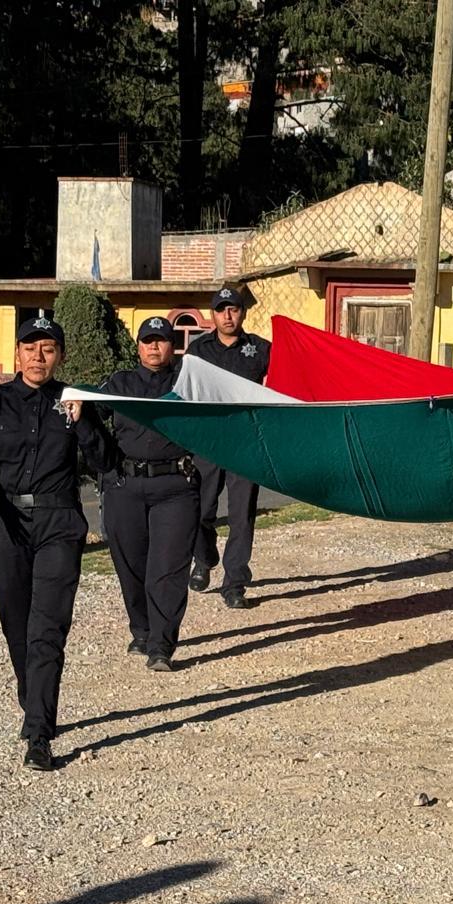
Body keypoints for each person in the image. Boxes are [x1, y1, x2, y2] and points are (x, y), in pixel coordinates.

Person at [0, 317, 114, 772]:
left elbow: (105, 460)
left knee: (47, 628)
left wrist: (83, 423)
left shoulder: (73, 402)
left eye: (49, 348)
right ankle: (32, 695)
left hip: (59, 521)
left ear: (60, 356)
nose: (39, 356)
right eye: (31, 348)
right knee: (17, 624)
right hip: (9, 522)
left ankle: (39, 732)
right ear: (17, 353)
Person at [98, 316, 200, 672]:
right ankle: (141, 630)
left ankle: (162, 644)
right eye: (147, 340)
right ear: (138, 346)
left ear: (173, 346)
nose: (154, 347)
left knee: (168, 568)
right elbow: (91, 415)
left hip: (175, 487)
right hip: (126, 486)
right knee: (131, 566)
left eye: (161, 340)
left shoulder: (189, 382)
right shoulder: (119, 383)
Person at [187, 286, 272, 608]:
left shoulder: (260, 349)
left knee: (241, 516)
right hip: (207, 443)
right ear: (213, 314)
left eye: (233, 309)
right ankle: (205, 558)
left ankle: (234, 582)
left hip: (245, 443)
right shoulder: (197, 351)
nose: (227, 315)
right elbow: (185, 393)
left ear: (243, 312)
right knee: (200, 510)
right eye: (221, 309)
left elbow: (284, 378)